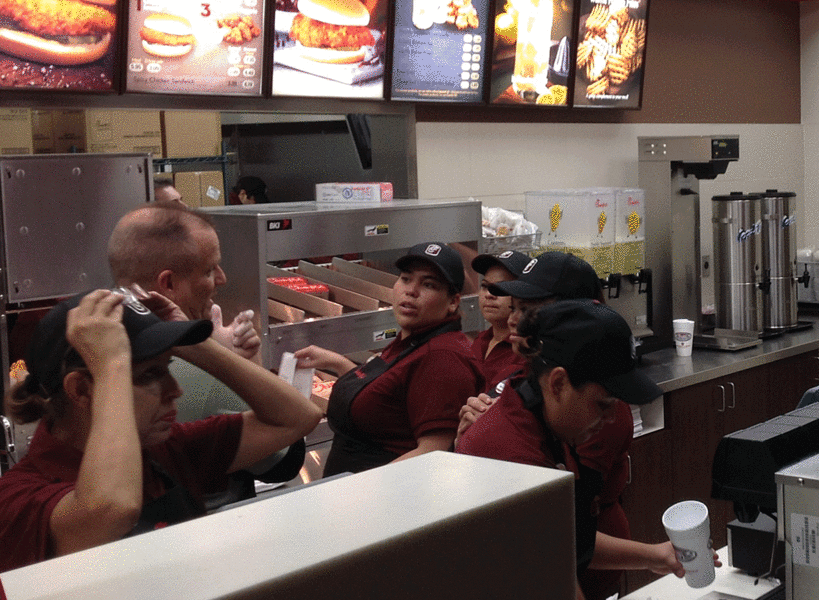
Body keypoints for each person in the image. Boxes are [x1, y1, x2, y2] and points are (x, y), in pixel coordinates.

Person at [0, 289, 321, 573]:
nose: (176, 389)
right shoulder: (18, 498)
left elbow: (296, 417)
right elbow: (109, 509)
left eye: (168, 366)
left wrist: (195, 345)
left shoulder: (166, 448)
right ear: (81, 391)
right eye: (150, 373)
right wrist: (112, 365)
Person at [456, 300, 692, 600]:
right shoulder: (517, 462)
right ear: (559, 382)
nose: (612, 416)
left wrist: (654, 556)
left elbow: (564, 537)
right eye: (603, 403)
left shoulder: (538, 419)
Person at [458, 250, 635, 600]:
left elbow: (566, 527)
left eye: (532, 311)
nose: (515, 319)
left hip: (579, 570)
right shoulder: (527, 379)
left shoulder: (587, 402)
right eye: (517, 306)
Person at [295, 242, 483, 476]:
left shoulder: (443, 358)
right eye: (405, 278)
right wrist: (336, 362)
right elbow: (386, 398)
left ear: (453, 302)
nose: (411, 290)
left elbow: (434, 453)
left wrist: (360, 490)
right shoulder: (415, 338)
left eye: (428, 284)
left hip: (383, 500)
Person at [108, 205, 261, 426]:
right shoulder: (209, 381)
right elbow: (288, 443)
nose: (222, 278)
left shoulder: (98, 347)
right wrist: (228, 362)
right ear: (168, 283)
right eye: (209, 270)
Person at [467, 249, 533, 389]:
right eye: (485, 286)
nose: (489, 295)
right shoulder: (480, 340)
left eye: (502, 288)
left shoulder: (527, 350)